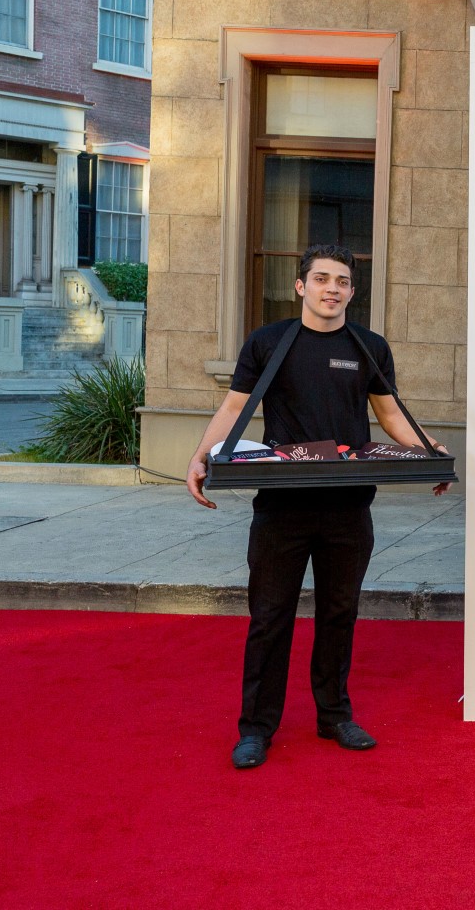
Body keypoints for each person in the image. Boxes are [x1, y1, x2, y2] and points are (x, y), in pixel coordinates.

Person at [185, 245, 448, 770]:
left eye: (343, 281)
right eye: (322, 279)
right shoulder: (268, 343)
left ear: (353, 291)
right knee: (269, 617)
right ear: (301, 286)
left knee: (338, 613)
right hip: (282, 506)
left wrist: (429, 451)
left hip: (348, 506)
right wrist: (200, 457)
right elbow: (235, 406)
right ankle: (257, 728)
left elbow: (390, 413)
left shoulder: (368, 347)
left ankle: (334, 716)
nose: (333, 288)